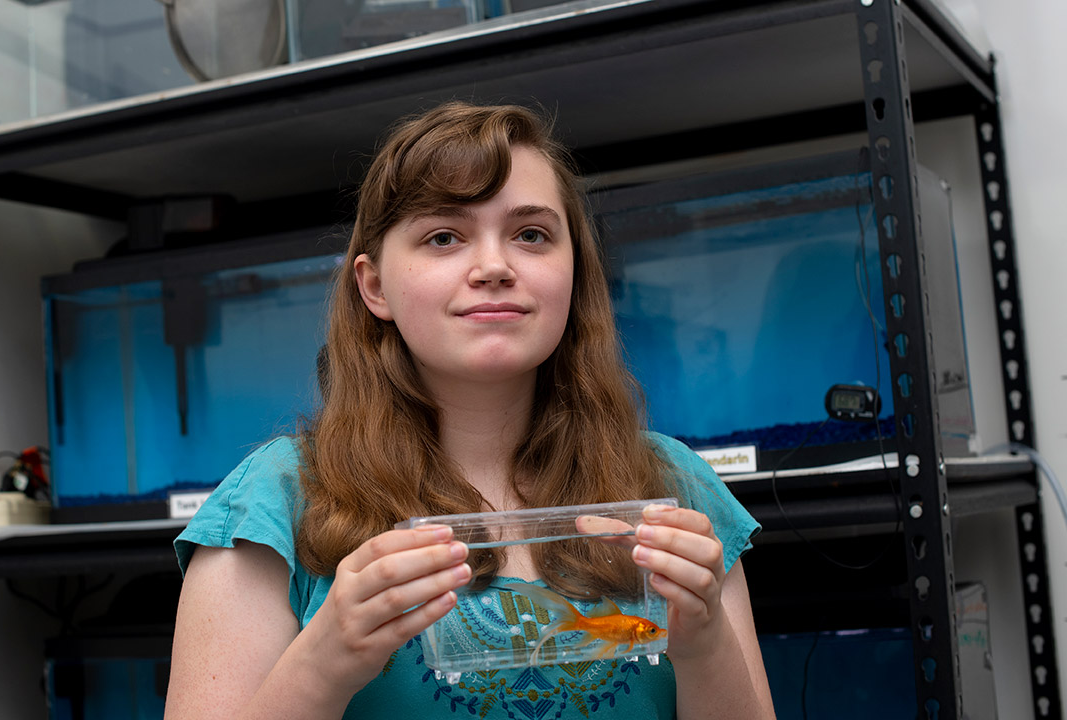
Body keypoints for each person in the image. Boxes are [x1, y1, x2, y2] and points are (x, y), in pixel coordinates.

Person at [166, 101, 776, 720]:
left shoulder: (673, 486)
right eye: (444, 237)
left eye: (531, 235)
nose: (493, 267)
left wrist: (704, 646)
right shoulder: (273, 504)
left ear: (575, 273)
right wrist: (322, 662)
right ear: (374, 286)